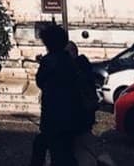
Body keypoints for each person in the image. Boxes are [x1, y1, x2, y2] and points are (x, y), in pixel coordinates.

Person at [31, 24, 84, 166]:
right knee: (65, 153)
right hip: (70, 115)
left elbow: (40, 81)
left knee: (50, 150)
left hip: (52, 116)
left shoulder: (48, 61)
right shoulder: (69, 61)